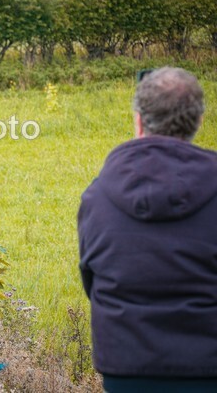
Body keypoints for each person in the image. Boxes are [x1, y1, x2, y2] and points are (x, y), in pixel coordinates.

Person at [77, 67, 217, 392]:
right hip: (208, 365)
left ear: (138, 121)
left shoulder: (97, 196)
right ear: (198, 121)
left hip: (126, 367)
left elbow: (91, 280)